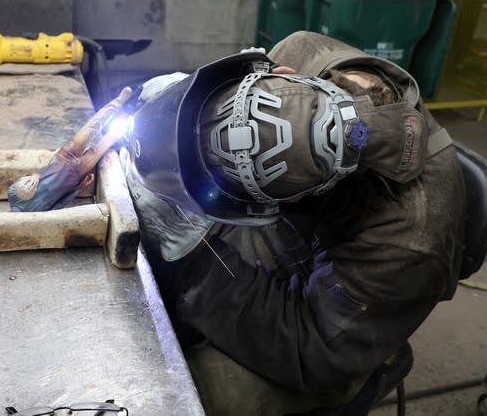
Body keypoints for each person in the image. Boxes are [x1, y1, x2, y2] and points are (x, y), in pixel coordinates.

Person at [120, 31, 466, 415]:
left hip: (333, 339)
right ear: (281, 73)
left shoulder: (408, 245)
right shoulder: (305, 52)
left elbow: (311, 349)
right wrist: (173, 108)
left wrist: (191, 267)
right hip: (305, 241)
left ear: (293, 199)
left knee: (180, 393)